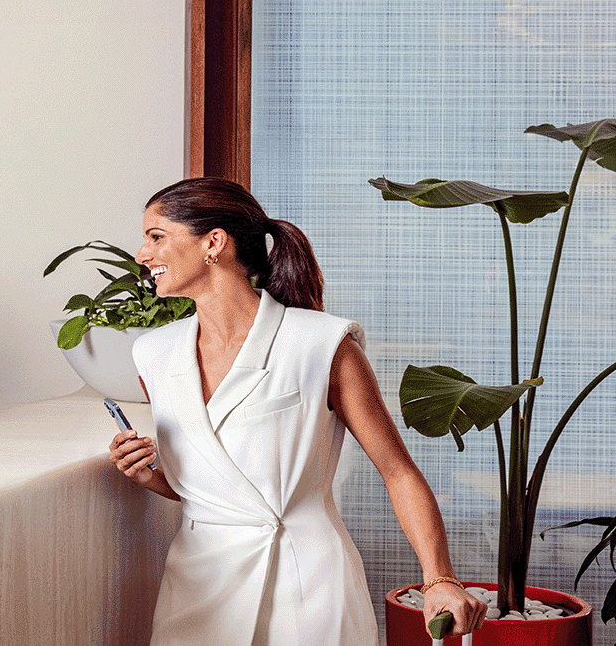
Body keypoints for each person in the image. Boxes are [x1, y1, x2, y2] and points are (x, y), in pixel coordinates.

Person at [107, 178, 486, 645]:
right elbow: (219, 493)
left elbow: (397, 472)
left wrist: (440, 579)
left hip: (307, 590)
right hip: (197, 589)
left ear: (214, 243)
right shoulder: (154, 354)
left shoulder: (321, 345)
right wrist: (150, 477)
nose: (142, 254)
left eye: (156, 236)